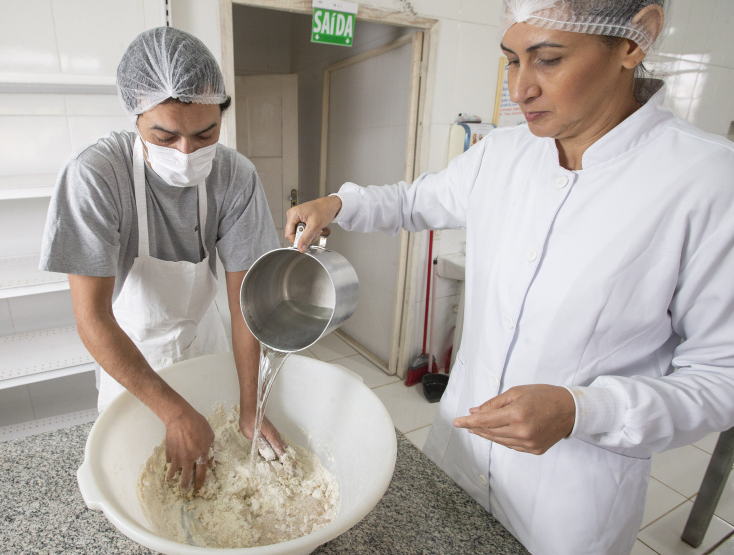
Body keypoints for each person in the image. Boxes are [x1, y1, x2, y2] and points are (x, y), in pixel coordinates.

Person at [287, 0, 734, 552]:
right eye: (512, 60)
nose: (520, 89)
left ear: (633, 40)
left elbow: (720, 376)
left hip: (569, 500)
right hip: (460, 452)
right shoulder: (503, 152)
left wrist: (583, 410)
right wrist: (339, 204)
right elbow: (413, 201)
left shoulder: (706, 181)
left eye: (548, 59)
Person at [39, 27, 285, 491]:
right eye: (165, 136)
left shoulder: (235, 177)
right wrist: (173, 412)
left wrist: (251, 407)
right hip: (131, 355)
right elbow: (91, 318)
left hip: (202, 341)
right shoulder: (95, 176)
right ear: (136, 115)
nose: (186, 152)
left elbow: (245, 306)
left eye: (205, 133)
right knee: (136, 481)